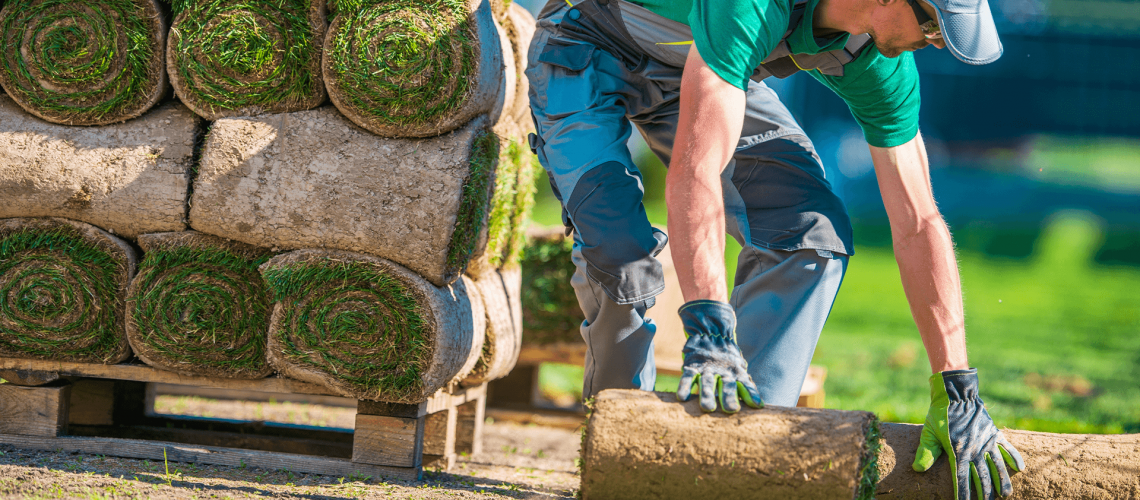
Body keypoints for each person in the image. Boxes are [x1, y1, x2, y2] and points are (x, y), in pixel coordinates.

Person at [524, 0, 1025, 496]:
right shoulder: (752, 6)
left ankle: (732, 462)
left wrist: (957, 386)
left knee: (811, 235)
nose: (935, 41)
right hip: (585, 46)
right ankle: (623, 462)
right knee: (622, 260)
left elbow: (919, 222)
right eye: (934, 24)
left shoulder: (878, 62)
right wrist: (708, 326)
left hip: (703, 70)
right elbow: (697, 173)